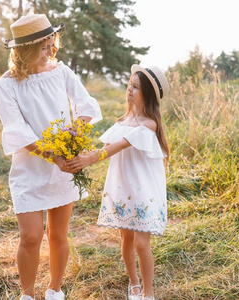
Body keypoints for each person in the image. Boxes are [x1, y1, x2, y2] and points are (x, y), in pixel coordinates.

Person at [0, 14, 102, 300]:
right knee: (31, 236)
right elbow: (17, 130)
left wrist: (74, 138)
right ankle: (27, 295)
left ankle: (55, 289)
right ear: (24, 51)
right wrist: (53, 154)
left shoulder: (61, 72)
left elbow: (86, 104)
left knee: (58, 234)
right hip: (30, 169)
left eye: (51, 45)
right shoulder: (6, 86)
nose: (50, 52)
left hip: (62, 168)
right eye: (43, 48)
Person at [66, 65, 170, 300]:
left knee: (142, 244)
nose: (129, 91)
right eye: (129, 85)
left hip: (143, 190)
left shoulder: (149, 124)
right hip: (123, 188)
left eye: (136, 87)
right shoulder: (123, 120)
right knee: (126, 240)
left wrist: (91, 158)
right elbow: (107, 147)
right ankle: (133, 283)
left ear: (148, 95)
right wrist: (83, 152)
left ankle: (148, 292)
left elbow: (122, 144)